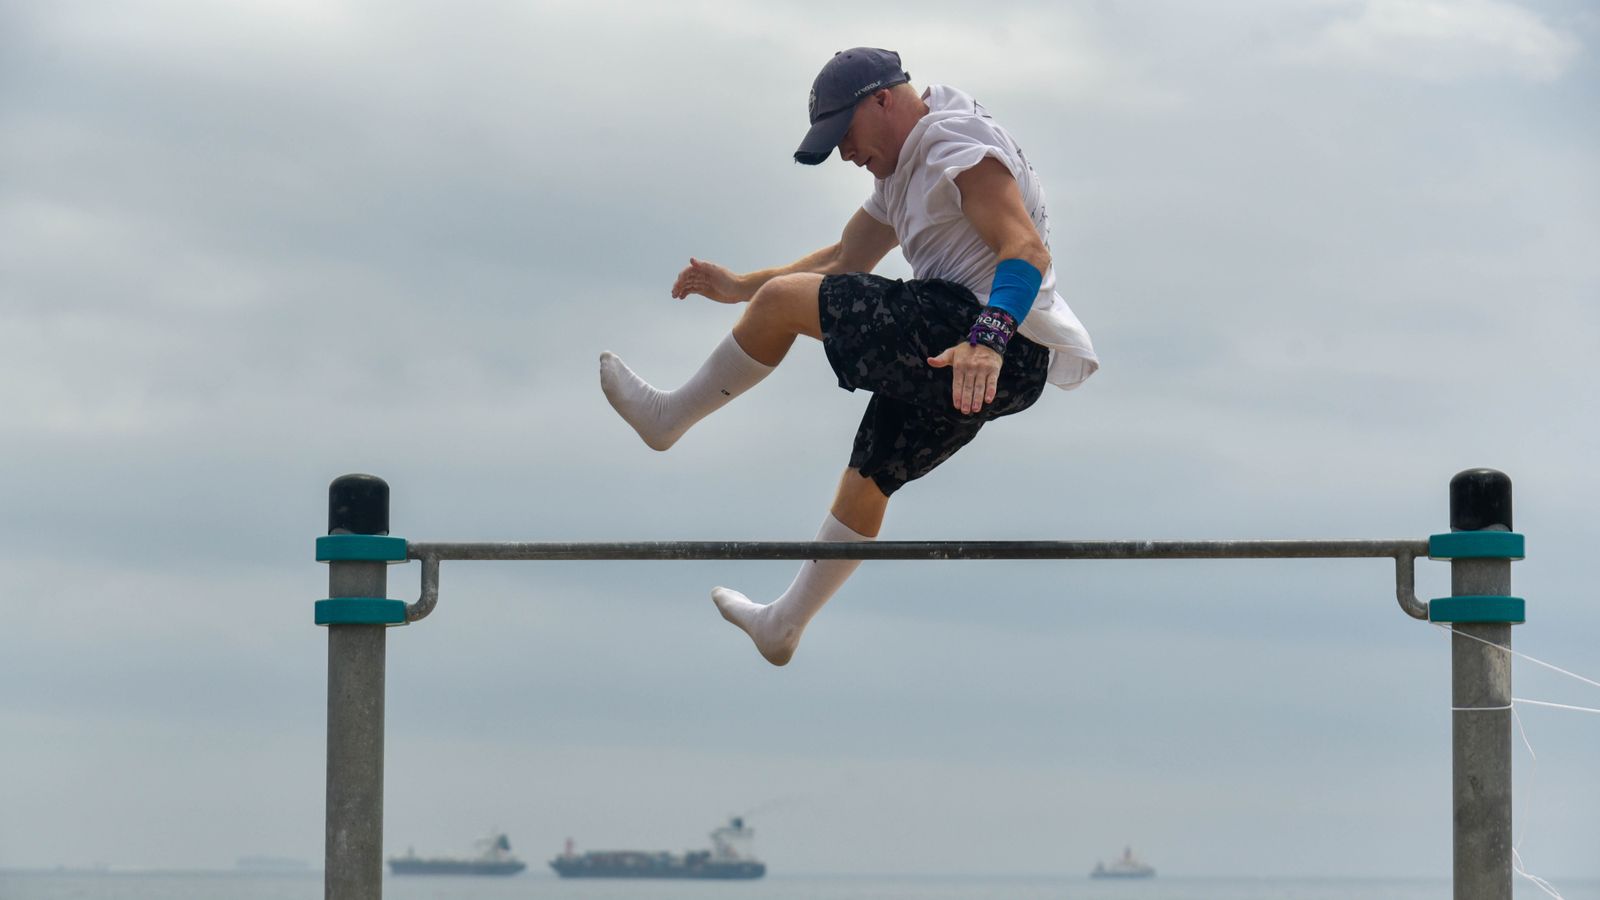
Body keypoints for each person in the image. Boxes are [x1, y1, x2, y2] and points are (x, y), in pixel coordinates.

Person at [600, 48, 1098, 665]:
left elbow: (1025, 247)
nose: (845, 154)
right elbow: (842, 262)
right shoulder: (900, 172)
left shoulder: (954, 141)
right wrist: (739, 288)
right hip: (972, 355)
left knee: (787, 302)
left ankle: (667, 420)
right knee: (868, 478)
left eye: (845, 136)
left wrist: (988, 338)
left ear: (882, 100)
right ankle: (783, 625)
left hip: (991, 338)